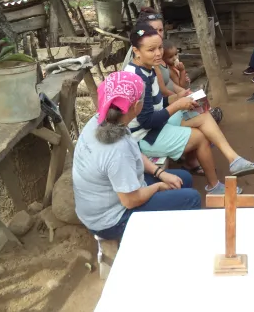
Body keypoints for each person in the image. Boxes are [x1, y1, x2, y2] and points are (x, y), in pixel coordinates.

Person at [125, 23, 254, 194]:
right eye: (151, 50)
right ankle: (214, 187)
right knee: (199, 137)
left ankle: (234, 159)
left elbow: (157, 103)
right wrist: (178, 105)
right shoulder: (136, 78)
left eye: (160, 47)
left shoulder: (147, 68)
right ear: (136, 50)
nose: (158, 53)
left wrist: (179, 97)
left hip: (154, 127)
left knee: (202, 114)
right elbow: (146, 120)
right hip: (144, 138)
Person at [72, 71, 201, 241]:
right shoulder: (116, 150)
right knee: (192, 198)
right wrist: (157, 186)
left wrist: (160, 173)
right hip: (112, 220)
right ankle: (178, 242)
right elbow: (130, 201)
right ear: (136, 106)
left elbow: (134, 152)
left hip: (107, 200)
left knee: (183, 179)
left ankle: (169, 228)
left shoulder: (101, 120)